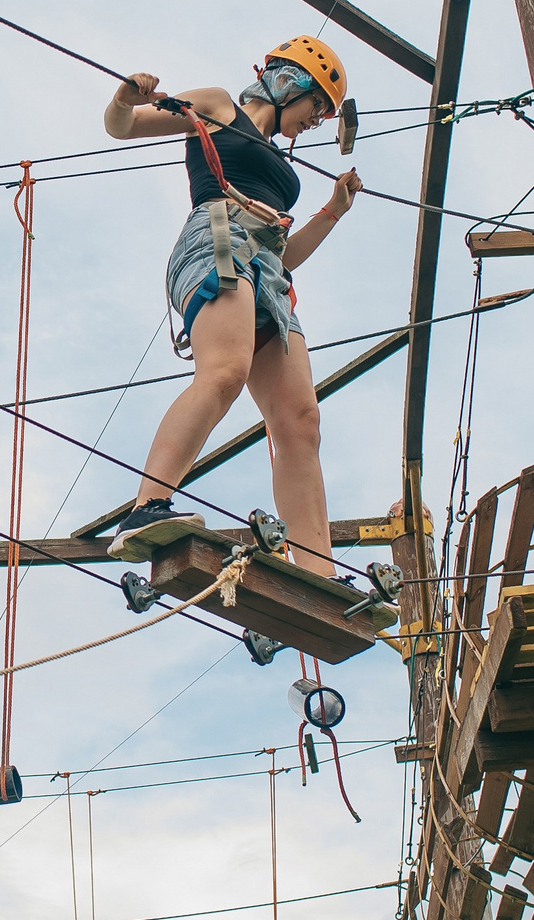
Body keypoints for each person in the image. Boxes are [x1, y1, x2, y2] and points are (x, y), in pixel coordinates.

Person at [100, 36, 365, 575]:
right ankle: (146, 508)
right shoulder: (221, 107)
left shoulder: (279, 163)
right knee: (224, 371)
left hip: (267, 266)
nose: (314, 123)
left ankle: (317, 572)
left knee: (300, 420)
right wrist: (126, 97)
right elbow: (123, 126)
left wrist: (332, 212)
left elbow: (285, 252)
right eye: (316, 108)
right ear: (290, 82)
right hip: (217, 237)